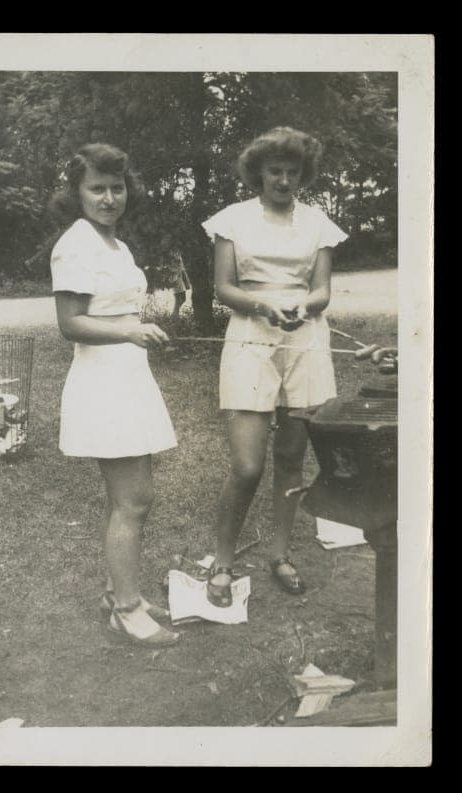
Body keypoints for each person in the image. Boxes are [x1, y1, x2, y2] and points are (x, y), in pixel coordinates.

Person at [202, 127, 348, 606]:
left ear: (303, 174)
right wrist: (264, 306)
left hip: (304, 339)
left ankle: (281, 555)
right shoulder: (232, 220)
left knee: (290, 457)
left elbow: (322, 291)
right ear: (258, 173)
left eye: (292, 172)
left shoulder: (318, 223)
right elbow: (224, 288)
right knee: (246, 465)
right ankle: (222, 562)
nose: (284, 180)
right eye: (275, 171)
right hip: (250, 336)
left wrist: (302, 308)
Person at [49, 143, 180, 647]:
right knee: (135, 498)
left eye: (116, 187)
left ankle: (117, 594)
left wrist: (136, 332)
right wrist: (130, 331)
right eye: (96, 188)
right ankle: (126, 610)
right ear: (76, 193)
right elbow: (70, 324)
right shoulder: (76, 244)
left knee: (125, 497)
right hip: (102, 381)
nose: (108, 197)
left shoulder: (114, 244)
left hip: (128, 376)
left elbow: (113, 310)